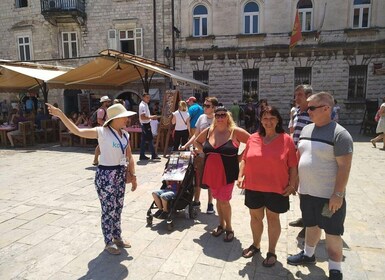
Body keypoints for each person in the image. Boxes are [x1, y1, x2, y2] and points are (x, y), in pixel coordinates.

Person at [46, 102, 138, 255]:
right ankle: (108, 241)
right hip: (105, 175)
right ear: (114, 119)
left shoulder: (125, 134)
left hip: (120, 174)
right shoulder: (101, 132)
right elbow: (77, 131)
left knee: (118, 207)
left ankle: (117, 236)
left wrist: (133, 176)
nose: (127, 120)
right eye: (123, 117)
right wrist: (61, 114)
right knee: (108, 209)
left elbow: (129, 156)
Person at [287, 92, 353, 280]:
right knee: (311, 225)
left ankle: (335, 268)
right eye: (306, 108)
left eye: (311, 108)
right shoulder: (307, 129)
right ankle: (308, 255)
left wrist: (338, 194)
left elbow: (344, 167)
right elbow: (302, 157)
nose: (307, 111)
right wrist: (296, 181)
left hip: (328, 196)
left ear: (326, 109)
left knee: (332, 232)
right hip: (307, 193)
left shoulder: (340, 134)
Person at [237, 106, 298, 267]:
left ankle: (271, 251)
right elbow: (245, 158)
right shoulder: (253, 138)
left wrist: (292, 184)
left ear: (278, 120)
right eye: (265, 118)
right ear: (260, 120)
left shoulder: (287, 140)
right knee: (255, 218)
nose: (268, 121)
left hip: (277, 187)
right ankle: (256, 245)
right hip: (254, 186)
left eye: (272, 118)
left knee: (273, 218)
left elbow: (293, 165)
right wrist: (240, 175)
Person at [195, 106, 250, 242]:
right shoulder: (209, 131)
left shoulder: (234, 132)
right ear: (215, 117)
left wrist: (241, 157)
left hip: (228, 173)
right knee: (218, 200)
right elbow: (197, 141)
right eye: (217, 115)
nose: (220, 118)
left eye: (223, 115)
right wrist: (205, 151)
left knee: (224, 201)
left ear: (227, 117)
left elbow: (253, 142)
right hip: (212, 172)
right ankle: (221, 224)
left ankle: (229, 228)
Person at [181, 97, 219, 214]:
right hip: (200, 153)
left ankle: (210, 203)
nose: (205, 107)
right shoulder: (201, 118)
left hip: (212, 155)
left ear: (214, 108)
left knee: (210, 180)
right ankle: (196, 201)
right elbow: (196, 136)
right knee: (197, 178)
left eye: (207, 106)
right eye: (204, 105)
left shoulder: (218, 120)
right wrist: (185, 145)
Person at [288, 84, 313, 237]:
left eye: (300, 95)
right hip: (297, 154)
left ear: (308, 96)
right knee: (301, 189)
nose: (296, 98)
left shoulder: (312, 113)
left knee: (308, 191)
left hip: (307, 156)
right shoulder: (297, 112)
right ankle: (305, 219)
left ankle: (311, 224)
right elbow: (293, 133)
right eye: (296, 95)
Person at [139, 92, 160, 160]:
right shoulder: (142, 105)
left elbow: (146, 116)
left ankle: (142, 155)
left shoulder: (145, 105)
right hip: (145, 124)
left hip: (146, 124)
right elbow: (143, 117)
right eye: (147, 97)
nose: (149, 99)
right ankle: (153, 155)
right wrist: (151, 117)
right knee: (150, 139)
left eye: (149, 97)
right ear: (143, 98)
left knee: (143, 141)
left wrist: (151, 117)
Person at [93, 96, 111, 165]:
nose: (109, 103)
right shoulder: (101, 110)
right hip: (103, 129)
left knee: (102, 144)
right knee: (100, 145)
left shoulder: (106, 109)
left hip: (106, 128)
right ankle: (95, 159)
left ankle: (97, 159)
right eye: (107, 101)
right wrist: (107, 125)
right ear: (104, 102)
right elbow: (99, 120)